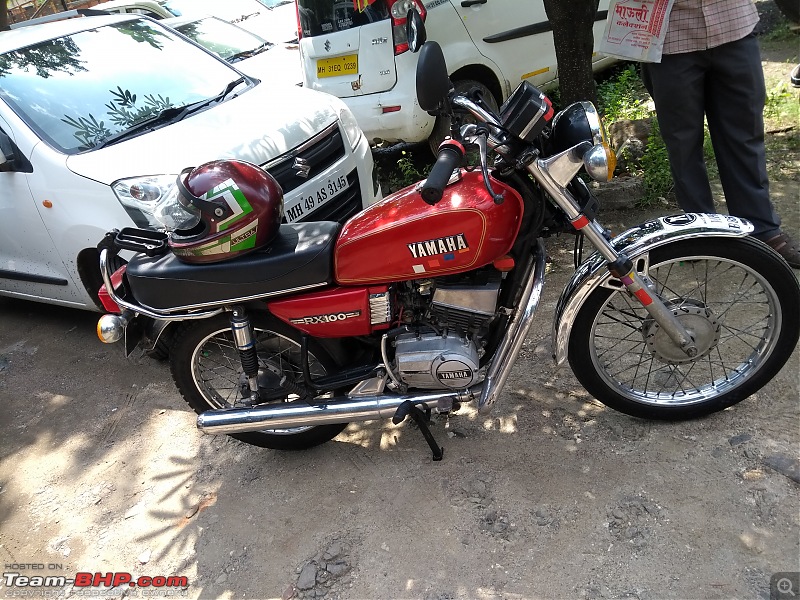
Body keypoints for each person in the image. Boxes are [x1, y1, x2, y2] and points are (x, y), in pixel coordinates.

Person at [640, 0, 800, 268]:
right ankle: (700, 232)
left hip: (733, 25)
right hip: (669, 37)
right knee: (682, 145)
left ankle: (761, 229)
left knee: (745, 136)